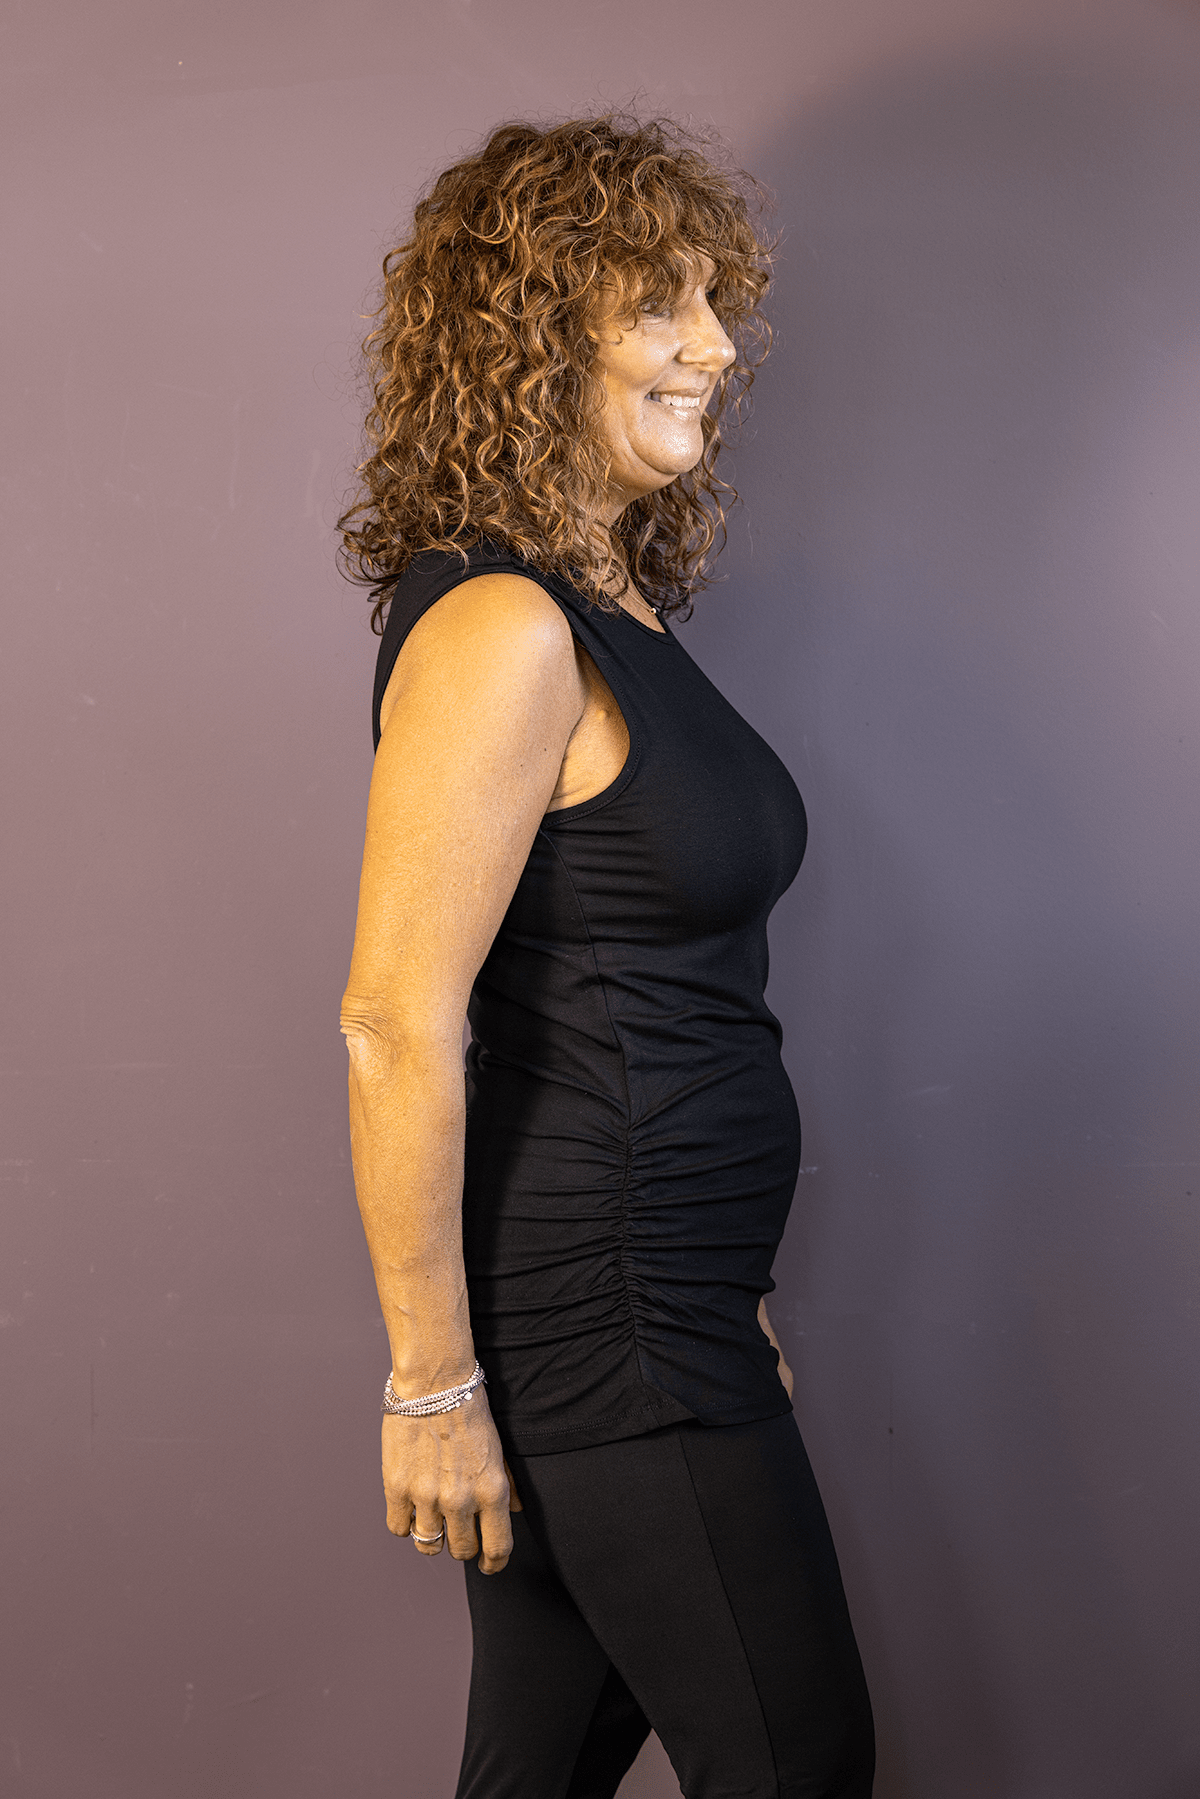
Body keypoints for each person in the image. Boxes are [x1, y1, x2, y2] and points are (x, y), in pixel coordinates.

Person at [338, 114, 874, 1799]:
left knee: (537, 1769)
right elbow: (396, 1018)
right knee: (799, 1765)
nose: (714, 344)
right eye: (662, 302)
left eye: (716, 302)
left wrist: (733, 1280)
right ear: (527, 336)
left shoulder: (609, 610)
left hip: (667, 1302)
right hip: (609, 1329)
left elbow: (644, 986)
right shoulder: (501, 626)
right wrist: (432, 1384)